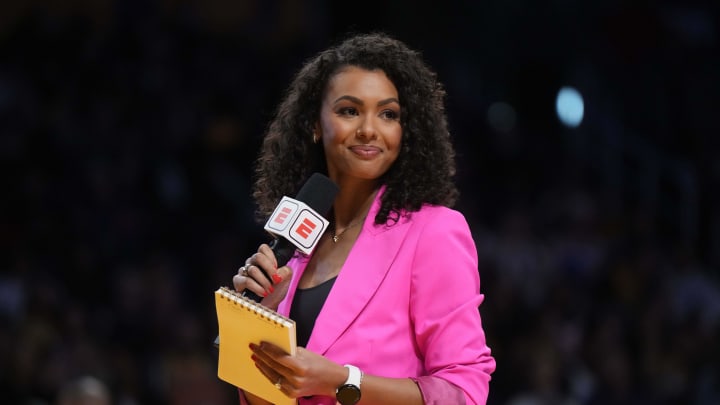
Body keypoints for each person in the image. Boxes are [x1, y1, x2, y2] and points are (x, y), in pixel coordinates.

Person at [232, 32, 495, 405]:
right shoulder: (294, 243)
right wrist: (259, 318)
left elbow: (463, 392)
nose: (369, 129)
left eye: (388, 114)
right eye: (349, 110)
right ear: (314, 123)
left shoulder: (434, 232)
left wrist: (342, 380)